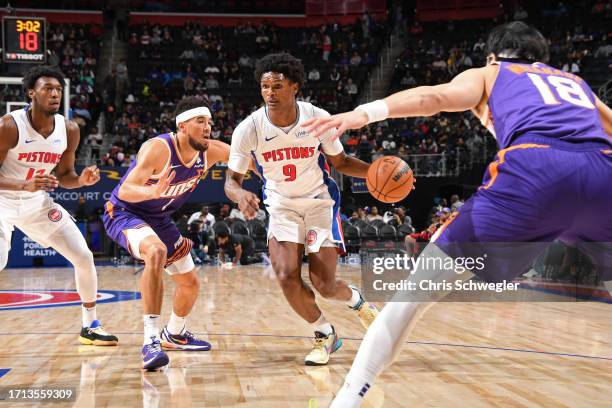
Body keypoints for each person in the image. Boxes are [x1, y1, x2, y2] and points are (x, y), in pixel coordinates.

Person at [303, 21, 612, 406]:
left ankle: (347, 399)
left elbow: (436, 96)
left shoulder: (492, 71)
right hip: (604, 173)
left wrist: (362, 114)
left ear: (493, 55)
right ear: (541, 58)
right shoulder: (575, 84)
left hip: (536, 169)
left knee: (413, 296)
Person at [224, 52, 379, 366]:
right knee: (285, 275)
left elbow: (340, 162)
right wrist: (239, 194)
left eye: (277, 86)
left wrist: (375, 173)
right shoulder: (248, 128)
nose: (270, 93)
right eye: (265, 87)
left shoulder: (315, 117)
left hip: (319, 203)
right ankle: (324, 334)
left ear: (294, 87)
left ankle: (359, 304)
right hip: (281, 208)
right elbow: (231, 180)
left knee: (324, 284)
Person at [103, 97, 252, 370]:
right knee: (156, 251)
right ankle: (150, 340)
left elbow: (251, 162)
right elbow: (125, 190)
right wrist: (153, 191)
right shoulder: (158, 148)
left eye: (210, 122)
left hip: (159, 218)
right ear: (182, 125)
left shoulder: (213, 150)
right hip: (125, 213)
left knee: (190, 284)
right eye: (201, 121)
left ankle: (174, 333)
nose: (208, 127)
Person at [0, 66, 118, 346]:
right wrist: (22, 186)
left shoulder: (69, 130)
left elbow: (65, 177)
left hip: (37, 204)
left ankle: (90, 326)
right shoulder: (9, 126)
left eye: (58, 90)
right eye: (47, 89)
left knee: (83, 256)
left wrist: (82, 181)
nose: (54, 94)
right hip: (3, 201)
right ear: (31, 93)